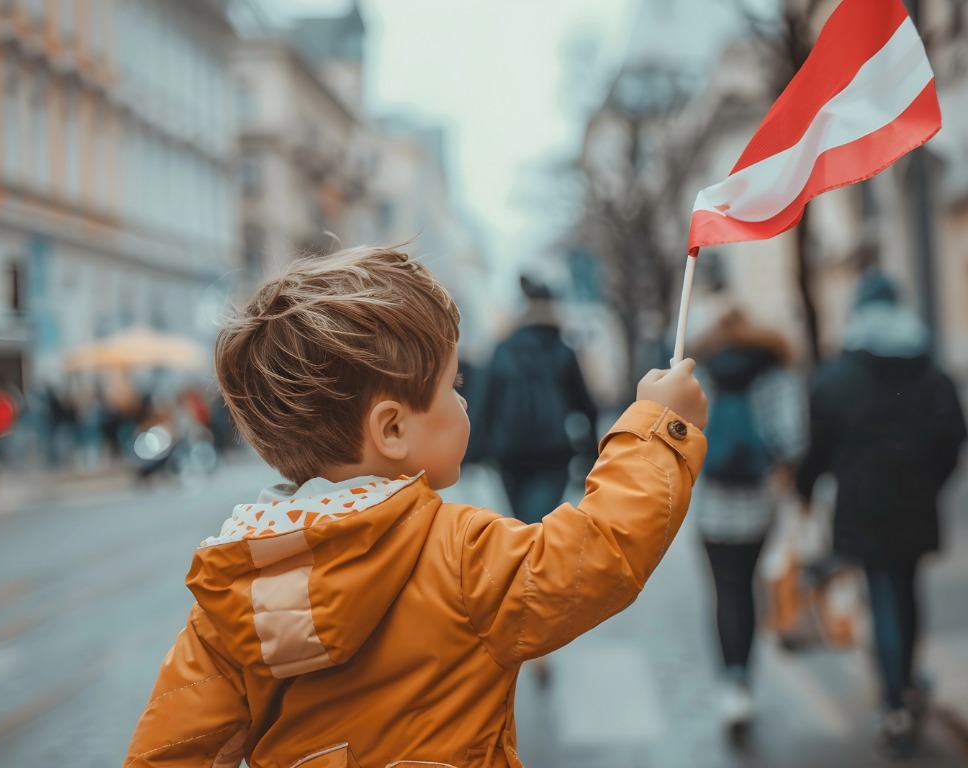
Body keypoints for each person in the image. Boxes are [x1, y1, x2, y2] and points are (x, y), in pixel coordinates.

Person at [123, 245, 708, 768]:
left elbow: (171, 754)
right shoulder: (459, 554)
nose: (463, 401)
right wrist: (659, 426)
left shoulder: (234, 596)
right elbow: (599, 551)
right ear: (393, 428)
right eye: (453, 386)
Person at [795, 270, 968, 758]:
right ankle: (908, 682)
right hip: (916, 503)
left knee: (883, 594)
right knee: (907, 590)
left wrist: (805, 490)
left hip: (864, 507)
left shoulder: (837, 376)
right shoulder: (930, 372)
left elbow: (818, 446)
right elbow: (956, 439)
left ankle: (894, 701)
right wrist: (930, 482)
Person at [689, 300, 807, 742]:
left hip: (712, 507)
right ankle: (745, 681)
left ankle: (732, 685)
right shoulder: (776, 370)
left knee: (725, 592)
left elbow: (683, 434)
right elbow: (794, 438)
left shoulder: (700, 371)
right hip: (760, 503)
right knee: (751, 588)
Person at [468, 274, 599, 525]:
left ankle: (530, 561)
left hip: (509, 454)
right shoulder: (563, 350)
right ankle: (535, 562)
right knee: (538, 525)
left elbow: (484, 402)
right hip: (553, 454)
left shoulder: (503, 350)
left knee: (522, 524)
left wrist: (473, 451)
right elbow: (585, 405)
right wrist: (592, 452)